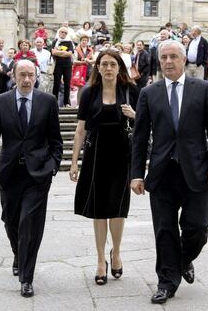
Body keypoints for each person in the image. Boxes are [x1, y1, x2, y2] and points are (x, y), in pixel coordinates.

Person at [130, 40, 208, 304]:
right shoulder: (149, 93)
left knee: (198, 227)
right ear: (159, 61)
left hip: (197, 171)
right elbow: (139, 139)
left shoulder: (204, 89)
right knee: (164, 230)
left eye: (173, 56)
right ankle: (166, 281)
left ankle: (183, 259)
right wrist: (136, 174)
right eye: (164, 57)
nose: (169, 62)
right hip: (162, 174)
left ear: (184, 59)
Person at [0, 59, 63, 298]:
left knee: (30, 225)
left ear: (36, 76)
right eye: (22, 75)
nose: (27, 80)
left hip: (38, 175)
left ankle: (27, 277)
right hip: (9, 173)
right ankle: (19, 253)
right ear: (13, 76)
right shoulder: (1, 102)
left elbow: (56, 141)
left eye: (31, 75)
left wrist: (52, 167)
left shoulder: (48, 102)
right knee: (11, 221)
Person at [69, 49, 138, 286]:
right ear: (97, 67)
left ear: (120, 68)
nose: (108, 68)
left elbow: (146, 126)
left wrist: (135, 115)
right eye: (104, 64)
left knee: (118, 208)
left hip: (122, 155)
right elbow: (81, 129)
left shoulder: (130, 91)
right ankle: (100, 259)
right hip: (96, 155)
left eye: (112, 64)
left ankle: (116, 252)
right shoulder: (88, 93)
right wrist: (74, 161)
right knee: (98, 208)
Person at [51, 27, 74, 106]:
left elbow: (70, 54)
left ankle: (66, 102)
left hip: (67, 65)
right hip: (58, 65)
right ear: (59, 32)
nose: (63, 34)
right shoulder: (55, 41)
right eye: (62, 32)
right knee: (56, 83)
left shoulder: (69, 42)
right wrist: (64, 53)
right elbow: (53, 52)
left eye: (65, 32)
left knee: (67, 84)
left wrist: (59, 52)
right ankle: (54, 101)